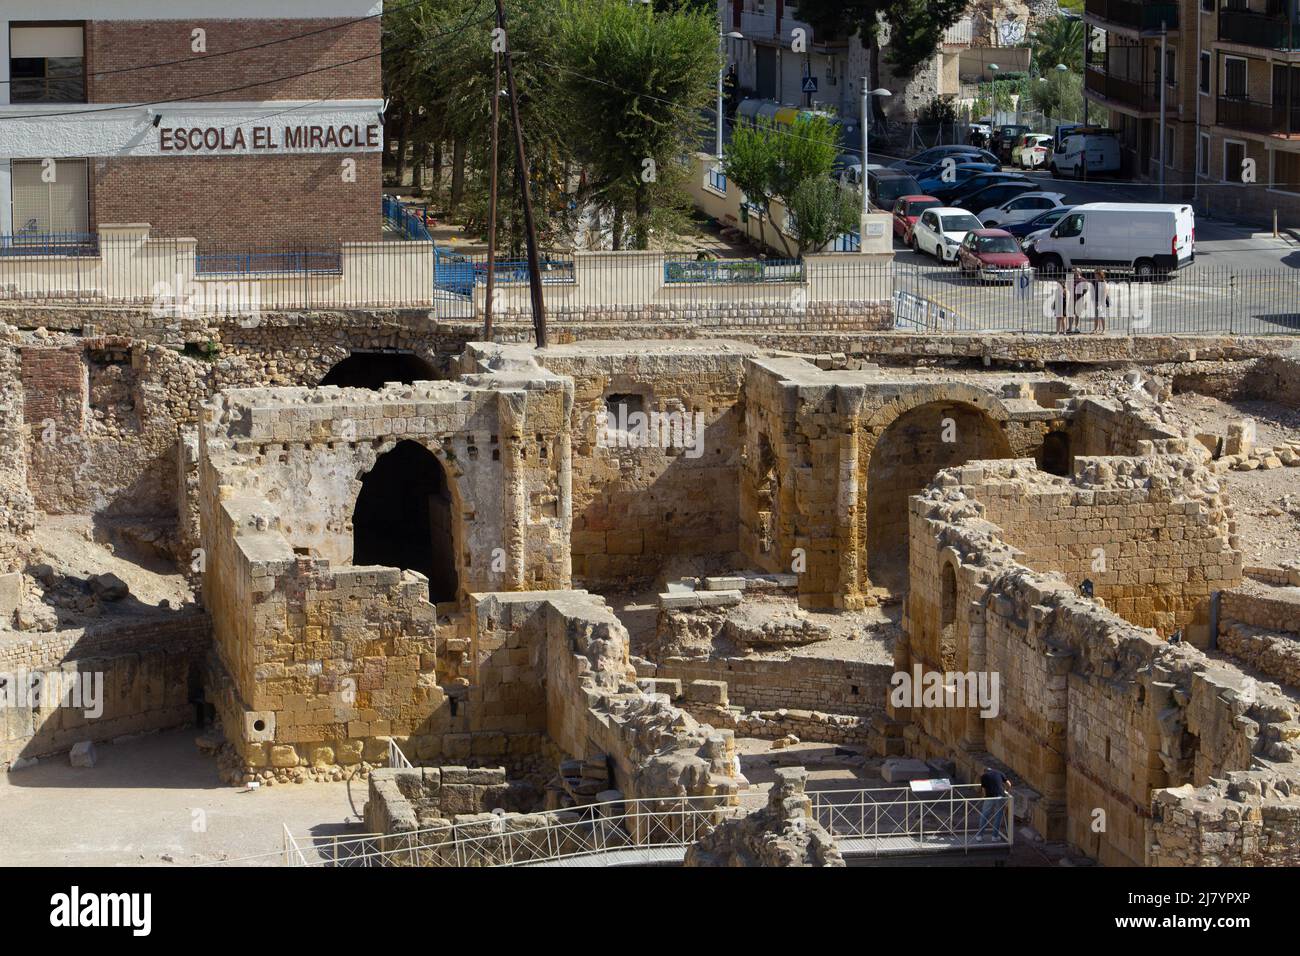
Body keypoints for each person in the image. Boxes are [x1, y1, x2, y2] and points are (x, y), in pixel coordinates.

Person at [974, 765, 1011, 842]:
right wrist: (1006, 791)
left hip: (990, 797)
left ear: (985, 771)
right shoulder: (999, 773)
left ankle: (980, 836)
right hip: (1000, 796)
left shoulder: (984, 776)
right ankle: (994, 836)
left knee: (985, 815)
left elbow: (984, 789)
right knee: (998, 816)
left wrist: (984, 797)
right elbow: (1009, 784)